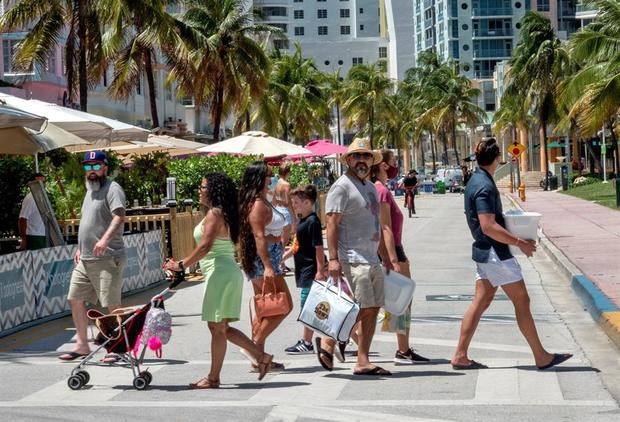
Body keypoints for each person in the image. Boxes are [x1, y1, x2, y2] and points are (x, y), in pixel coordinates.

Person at [451, 138, 572, 370]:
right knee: (522, 300)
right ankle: (541, 356)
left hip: (485, 252)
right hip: (496, 253)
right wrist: (520, 242)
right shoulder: (485, 186)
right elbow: (488, 225)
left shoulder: (476, 180)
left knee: (481, 301)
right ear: (496, 158)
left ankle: (460, 354)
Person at [164, 173, 273, 388]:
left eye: (203, 186)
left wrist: (181, 265)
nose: (199, 190)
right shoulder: (223, 213)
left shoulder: (215, 213)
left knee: (218, 328)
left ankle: (213, 378)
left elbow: (205, 246)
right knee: (221, 328)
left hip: (219, 273)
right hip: (225, 272)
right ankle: (261, 357)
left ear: (214, 190)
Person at [317, 137, 391, 376]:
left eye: (366, 156)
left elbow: (374, 224)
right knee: (361, 306)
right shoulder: (341, 186)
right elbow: (331, 224)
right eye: (357, 156)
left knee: (373, 307)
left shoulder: (369, 186)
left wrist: (385, 256)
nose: (362, 160)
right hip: (352, 257)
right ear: (348, 160)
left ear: (372, 160)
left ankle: (362, 359)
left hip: (372, 258)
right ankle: (329, 340)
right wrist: (334, 259)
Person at [60, 151, 127, 362]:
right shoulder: (90, 191)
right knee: (75, 298)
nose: (91, 171)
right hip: (86, 257)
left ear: (105, 167)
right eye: (87, 167)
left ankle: (117, 347)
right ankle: (82, 345)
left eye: (95, 166)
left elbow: (119, 215)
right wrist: (81, 247)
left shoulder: (112, 188)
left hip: (107, 256)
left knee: (112, 303)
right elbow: (89, 222)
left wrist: (105, 240)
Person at [370, 150, 430, 364]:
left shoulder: (377, 189)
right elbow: (384, 228)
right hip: (392, 251)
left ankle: (402, 349)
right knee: (401, 301)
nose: (397, 165)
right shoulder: (382, 192)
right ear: (383, 166)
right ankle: (402, 350)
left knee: (386, 303)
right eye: (394, 161)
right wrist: (394, 261)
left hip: (389, 252)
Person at [239, 161, 292, 371]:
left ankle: (258, 356)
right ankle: (253, 347)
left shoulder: (262, 200)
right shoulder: (258, 204)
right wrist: (269, 266)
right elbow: (259, 236)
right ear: (259, 178)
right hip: (264, 260)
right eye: (268, 176)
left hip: (267, 258)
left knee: (265, 309)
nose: (271, 179)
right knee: (282, 305)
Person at [284, 185, 326, 354]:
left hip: (311, 270)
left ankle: (307, 342)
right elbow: (296, 246)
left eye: (296, 202)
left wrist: (320, 270)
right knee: (313, 307)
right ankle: (346, 337)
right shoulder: (304, 220)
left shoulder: (313, 221)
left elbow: (318, 247)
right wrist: (281, 259)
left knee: (308, 306)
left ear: (308, 202)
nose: (294, 206)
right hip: (304, 270)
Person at [273, 162, 295, 271]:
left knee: (280, 239)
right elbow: (288, 202)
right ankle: (279, 263)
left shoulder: (277, 184)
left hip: (277, 211)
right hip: (285, 212)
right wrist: (294, 217)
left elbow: (274, 199)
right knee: (284, 241)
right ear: (287, 172)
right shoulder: (286, 185)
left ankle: (281, 263)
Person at [18, 172, 48, 251]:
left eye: (43, 182)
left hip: (43, 236)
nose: (42, 185)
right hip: (33, 236)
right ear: (32, 184)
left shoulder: (42, 197)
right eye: (38, 182)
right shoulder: (30, 198)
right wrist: (24, 239)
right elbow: (22, 219)